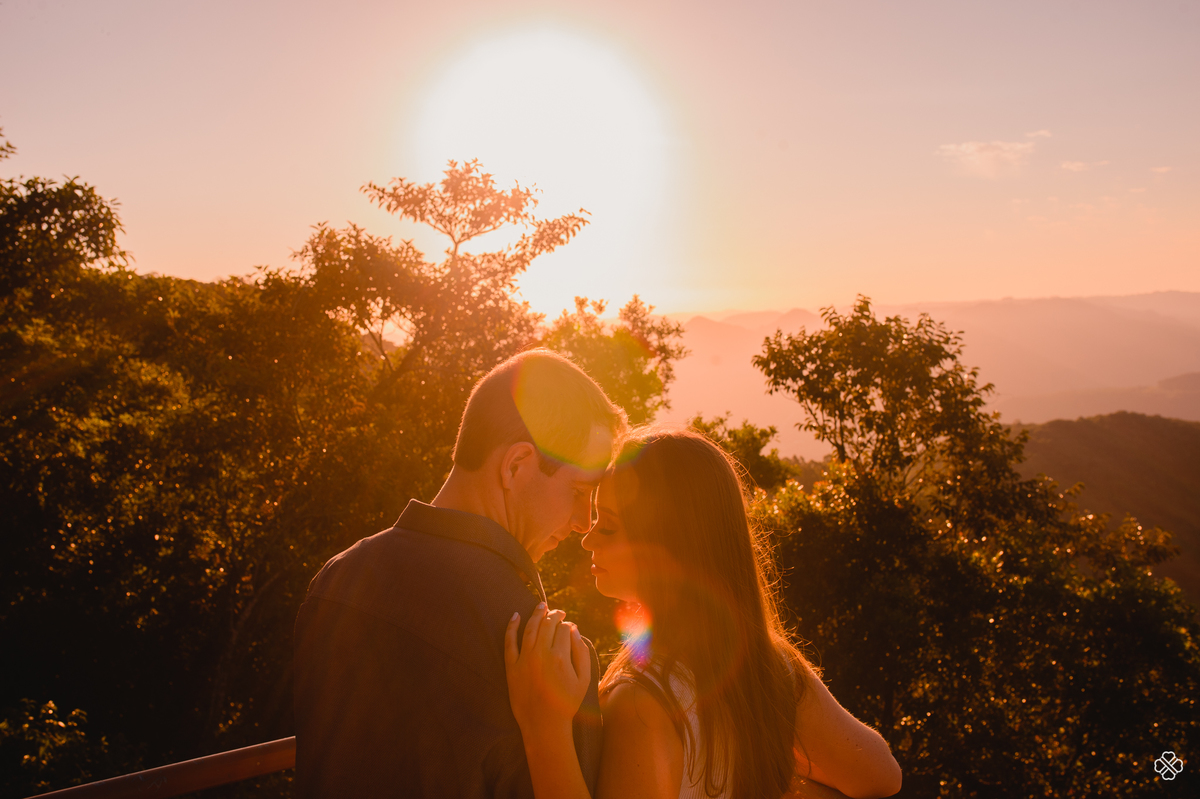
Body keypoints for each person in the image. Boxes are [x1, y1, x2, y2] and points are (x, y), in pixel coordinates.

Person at [294, 349, 627, 798]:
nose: (585, 521)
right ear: (515, 466)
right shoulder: (551, 659)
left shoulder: (335, 581)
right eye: (580, 491)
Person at [504, 428, 903, 799]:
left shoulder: (643, 702)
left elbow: (881, 778)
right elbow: (881, 774)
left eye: (607, 526)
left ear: (668, 542)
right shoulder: (772, 668)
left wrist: (545, 729)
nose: (587, 539)